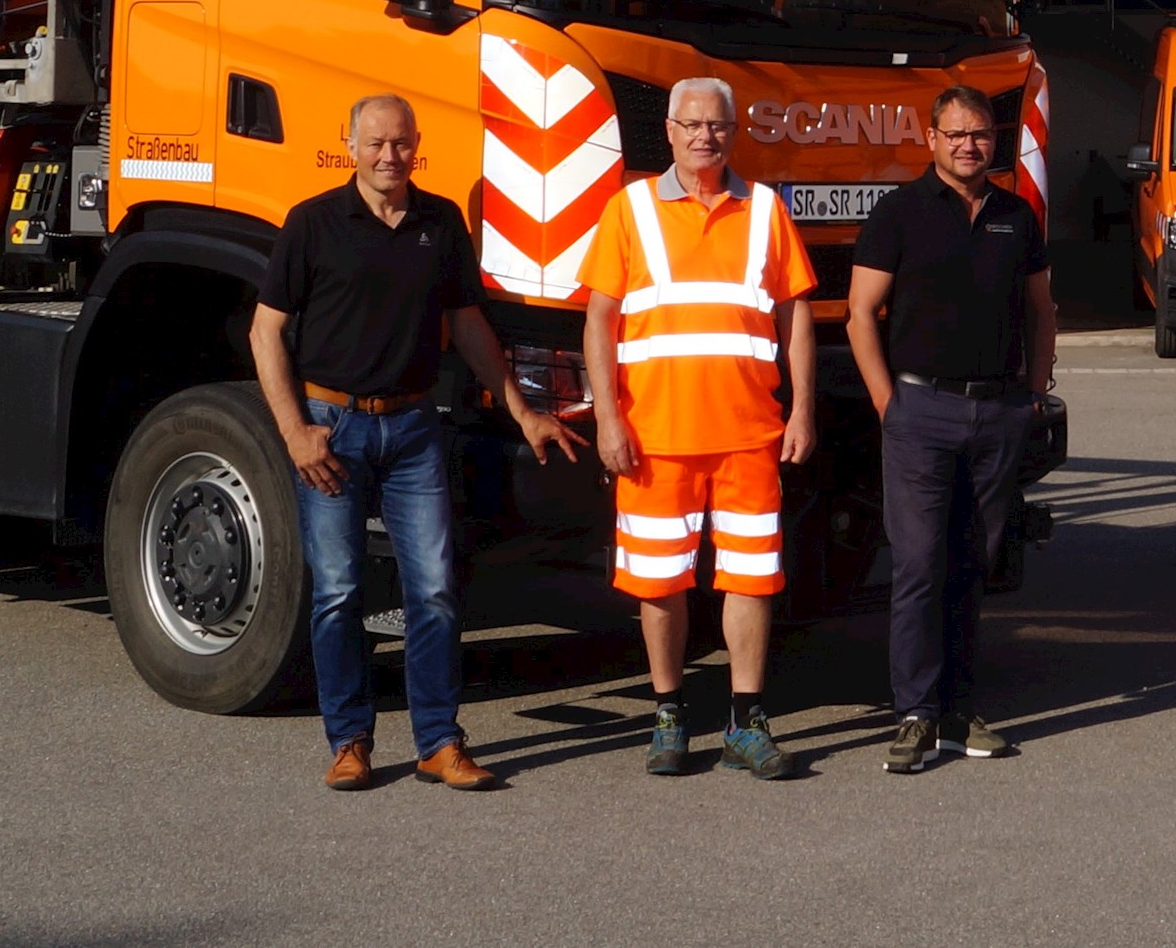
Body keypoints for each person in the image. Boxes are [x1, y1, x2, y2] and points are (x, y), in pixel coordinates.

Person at [250, 94, 581, 793]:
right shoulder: (311, 223)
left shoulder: (440, 222)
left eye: (400, 143)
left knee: (433, 590)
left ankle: (438, 741)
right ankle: (349, 741)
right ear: (349, 145)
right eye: (375, 142)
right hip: (332, 428)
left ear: (416, 146)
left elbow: (467, 327)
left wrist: (523, 411)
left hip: (412, 430)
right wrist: (294, 432)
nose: (388, 155)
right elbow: (264, 331)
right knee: (338, 590)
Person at [584, 76, 819, 780]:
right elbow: (599, 318)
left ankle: (746, 721)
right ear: (670, 129)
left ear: (733, 131)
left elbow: (795, 314)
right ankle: (669, 715)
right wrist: (606, 415)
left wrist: (802, 405)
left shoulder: (767, 210)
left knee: (750, 579)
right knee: (659, 583)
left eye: (717, 125)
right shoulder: (629, 210)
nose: (704, 137)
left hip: (749, 432)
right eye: (692, 125)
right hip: (653, 436)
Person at [848, 84, 1059, 774]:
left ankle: (960, 710)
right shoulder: (899, 211)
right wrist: (888, 403)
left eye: (981, 135)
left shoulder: (1016, 215)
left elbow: (1040, 308)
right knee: (917, 566)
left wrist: (1032, 392)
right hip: (920, 412)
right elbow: (860, 314)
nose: (970, 145)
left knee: (974, 563)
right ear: (931, 138)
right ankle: (913, 713)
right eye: (956, 134)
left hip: (997, 410)